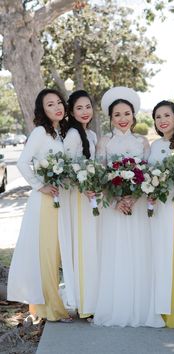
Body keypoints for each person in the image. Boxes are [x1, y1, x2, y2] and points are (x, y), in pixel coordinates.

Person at [94, 86, 165, 327]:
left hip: (137, 206)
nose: (122, 119)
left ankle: (142, 305)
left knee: (139, 252)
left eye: (127, 114)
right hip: (114, 209)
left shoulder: (142, 141)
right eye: (117, 115)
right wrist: (115, 201)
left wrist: (133, 198)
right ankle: (117, 305)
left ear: (134, 116)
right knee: (117, 253)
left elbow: (145, 174)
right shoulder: (105, 141)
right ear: (110, 118)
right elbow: (99, 174)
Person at [7, 88, 73, 322]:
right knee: (47, 254)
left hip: (61, 200)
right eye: (50, 104)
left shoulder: (60, 134)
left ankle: (47, 303)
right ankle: (52, 309)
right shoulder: (40, 133)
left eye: (58, 103)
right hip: (45, 201)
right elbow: (24, 162)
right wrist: (39, 185)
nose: (57, 107)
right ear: (42, 110)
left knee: (56, 254)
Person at [146, 100, 174, 328]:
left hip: (173, 206)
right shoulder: (154, 147)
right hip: (156, 208)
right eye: (157, 117)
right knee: (159, 254)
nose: (162, 120)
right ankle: (160, 306)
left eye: (166, 115)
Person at [63, 90, 98, 318]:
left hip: (91, 197)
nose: (84, 112)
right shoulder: (73, 135)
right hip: (78, 198)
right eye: (79, 108)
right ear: (72, 112)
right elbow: (66, 166)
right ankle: (86, 305)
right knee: (83, 247)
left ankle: (93, 299)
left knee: (92, 248)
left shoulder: (92, 136)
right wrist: (82, 186)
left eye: (87, 107)